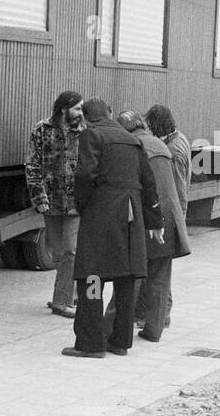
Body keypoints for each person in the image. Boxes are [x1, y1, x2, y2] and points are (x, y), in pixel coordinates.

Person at [66, 98, 162, 358]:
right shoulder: (133, 140)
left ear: (86, 118)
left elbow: (86, 175)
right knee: (125, 280)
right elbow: (149, 182)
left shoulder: (92, 135)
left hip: (102, 215)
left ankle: (91, 344)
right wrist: (155, 221)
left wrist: (83, 205)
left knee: (93, 277)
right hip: (131, 218)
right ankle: (120, 343)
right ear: (109, 113)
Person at [106, 111, 190, 343]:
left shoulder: (133, 146)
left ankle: (111, 327)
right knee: (160, 278)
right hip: (169, 220)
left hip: (147, 220)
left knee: (130, 276)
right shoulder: (161, 145)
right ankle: (154, 331)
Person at [25, 90, 85, 318]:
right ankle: (75, 293)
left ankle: (62, 300)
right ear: (64, 108)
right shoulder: (41, 130)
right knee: (58, 252)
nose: (81, 113)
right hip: (51, 202)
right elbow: (32, 165)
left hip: (76, 203)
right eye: (77, 108)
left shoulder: (84, 132)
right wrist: (38, 197)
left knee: (71, 250)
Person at [143, 104, 189, 329]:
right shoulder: (178, 139)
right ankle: (161, 314)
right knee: (162, 266)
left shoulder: (173, 151)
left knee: (162, 267)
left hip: (170, 214)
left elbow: (176, 188)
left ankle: (163, 314)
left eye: (151, 125)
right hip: (173, 212)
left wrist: (175, 217)